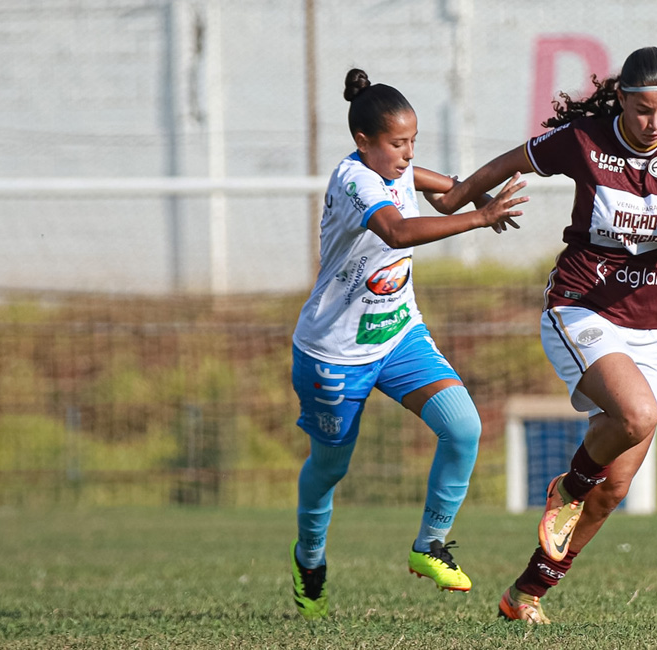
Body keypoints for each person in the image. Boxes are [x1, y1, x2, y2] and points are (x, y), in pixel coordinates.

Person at [434, 46, 657, 623]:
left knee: (614, 488)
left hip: (648, 326)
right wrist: (459, 200)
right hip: (578, 307)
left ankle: (525, 594)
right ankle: (565, 490)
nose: (655, 123)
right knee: (635, 416)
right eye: (642, 111)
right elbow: (511, 160)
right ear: (622, 101)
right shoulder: (585, 140)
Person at [288, 67, 527, 620]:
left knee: (463, 426)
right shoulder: (355, 180)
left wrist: (482, 199)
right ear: (363, 142)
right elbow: (396, 231)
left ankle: (429, 546)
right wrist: (479, 217)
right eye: (398, 143)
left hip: (398, 336)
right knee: (329, 469)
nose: (407, 153)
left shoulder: (397, 169)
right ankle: (310, 560)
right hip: (335, 353)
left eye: (413, 141)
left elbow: (447, 196)